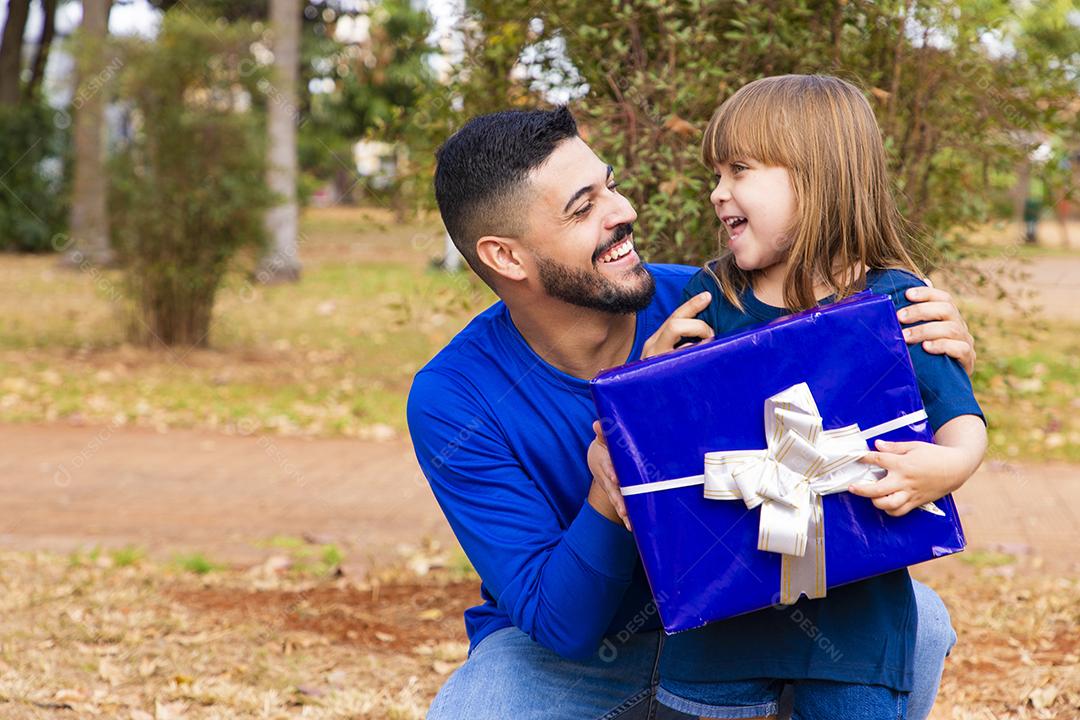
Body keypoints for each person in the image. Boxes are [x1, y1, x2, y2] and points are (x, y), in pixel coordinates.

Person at [407, 106, 977, 720]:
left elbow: (848, 356)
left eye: (613, 186)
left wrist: (926, 348)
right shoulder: (455, 398)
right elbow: (563, 626)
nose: (623, 212)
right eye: (583, 207)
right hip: (583, 658)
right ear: (507, 257)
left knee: (919, 624)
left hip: (746, 616)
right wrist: (622, 458)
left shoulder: (716, 302)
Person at [589, 74, 986, 720]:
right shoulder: (712, 297)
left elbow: (961, 421)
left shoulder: (896, 300)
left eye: (739, 170)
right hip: (718, 626)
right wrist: (650, 376)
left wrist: (949, 466)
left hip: (855, 628)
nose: (718, 192)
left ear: (817, 175)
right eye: (715, 173)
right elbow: (662, 436)